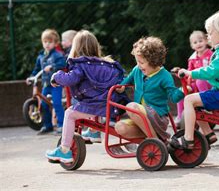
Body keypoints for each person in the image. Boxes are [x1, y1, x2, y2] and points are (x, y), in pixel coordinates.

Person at [45, 30, 126, 163]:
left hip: (96, 105)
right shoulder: (106, 64)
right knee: (97, 95)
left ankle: (64, 150)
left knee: (70, 114)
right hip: (110, 106)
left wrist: (56, 76)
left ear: (76, 48)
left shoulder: (80, 66)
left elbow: (69, 79)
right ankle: (94, 131)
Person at [172, 9, 219, 149]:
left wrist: (190, 73)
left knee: (189, 100)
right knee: (195, 103)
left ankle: (188, 139)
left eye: (210, 33)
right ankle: (208, 134)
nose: (208, 36)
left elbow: (212, 71)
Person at [114, 37, 184, 143]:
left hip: (157, 117)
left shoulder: (164, 76)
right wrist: (122, 86)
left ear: (153, 62)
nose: (138, 65)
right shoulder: (137, 70)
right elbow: (127, 80)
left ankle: (154, 140)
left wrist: (183, 90)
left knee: (131, 107)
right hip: (140, 118)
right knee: (120, 127)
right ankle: (154, 138)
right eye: (137, 62)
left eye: (141, 62)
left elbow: (173, 97)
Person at [27, 29, 66, 135]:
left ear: (55, 43)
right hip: (46, 84)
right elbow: (36, 69)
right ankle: (47, 125)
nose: (47, 44)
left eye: (50, 42)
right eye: (45, 42)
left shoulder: (58, 55)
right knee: (43, 104)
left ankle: (61, 125)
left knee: (57, 103)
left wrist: (53, 67)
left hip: (56, 83)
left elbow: (63, 64)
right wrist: (31, 77)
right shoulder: (41, 56)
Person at [173, 30, 213, 126]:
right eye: (195, 42)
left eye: (200, 41)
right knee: (182, 91)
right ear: (192, 46)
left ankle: (206, 105)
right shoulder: (192, 59)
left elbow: (214, 70)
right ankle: (179, 116)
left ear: (206, 41)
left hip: (209, 82)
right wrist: (181, 73)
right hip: (195, 84)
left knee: (200, 81)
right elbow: (189, 73)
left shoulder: (211, 55)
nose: (198, 44)